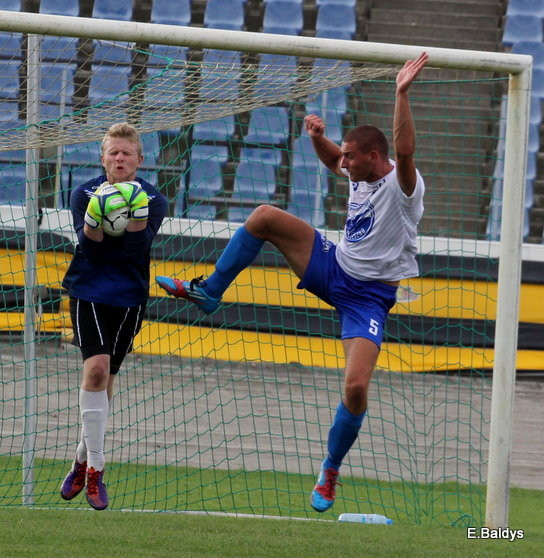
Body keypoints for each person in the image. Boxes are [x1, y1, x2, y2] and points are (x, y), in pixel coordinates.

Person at [155, 53, 429, 512]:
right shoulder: (357, 172)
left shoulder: (404, 187)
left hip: (370, 297)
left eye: (350, 156)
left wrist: (400, 93)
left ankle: (330, 470)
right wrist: (321, 140)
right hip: (335, 267)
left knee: (356, 388)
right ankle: (208, 292)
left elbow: (404, 151)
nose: (344, 163)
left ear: (374, 158)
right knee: (263, 218)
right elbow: (333, 163)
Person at [60, 122, 168, 510]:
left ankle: (79, 461)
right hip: (88, 288)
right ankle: (96, 472)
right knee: (95, 371)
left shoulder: (154, 199)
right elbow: (90, 251)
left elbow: (131, 251)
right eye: (113, 152)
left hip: (129, 295)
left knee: (107, 380)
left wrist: (134, 214)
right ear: (102, 157)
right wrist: (93, 217)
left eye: (127, 153)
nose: (119, 159)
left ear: (139, 159)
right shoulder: (82, 193)